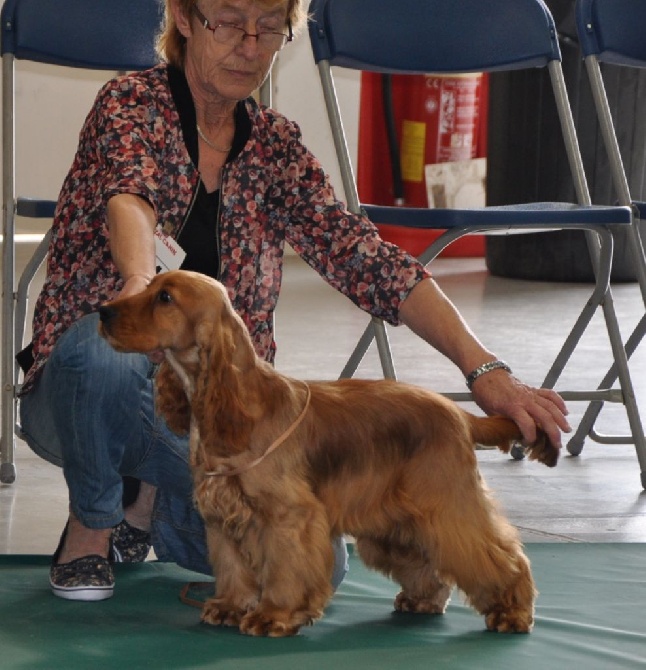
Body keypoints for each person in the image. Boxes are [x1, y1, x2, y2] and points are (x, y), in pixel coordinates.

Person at [18, 0, 571, 602]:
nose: (249, 45)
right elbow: (131, 196)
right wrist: (136, 280)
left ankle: (149, 504)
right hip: (82, 397)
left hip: (217, 427)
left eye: (270, 28)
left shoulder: (275, 147)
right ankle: (93, 528)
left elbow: (369, 260)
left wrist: (483, 369)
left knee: (314, 570)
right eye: (228, 22)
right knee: (107, 357)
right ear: (182, 17)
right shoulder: (129, 105)